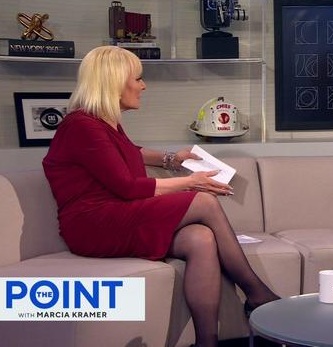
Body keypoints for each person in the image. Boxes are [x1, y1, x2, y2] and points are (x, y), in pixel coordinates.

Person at [43, 46, 278, 347]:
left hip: (116, 215)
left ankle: (207, 341)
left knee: (201, 238)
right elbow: (127, 187)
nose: (143, 86)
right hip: (92, 224)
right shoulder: (82, 126)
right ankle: (257, 294)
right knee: (203, 201)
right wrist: (189, 183)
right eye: (138, 79)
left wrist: (172, 160)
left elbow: (130, 153)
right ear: (115, 81)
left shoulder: (102, 123)